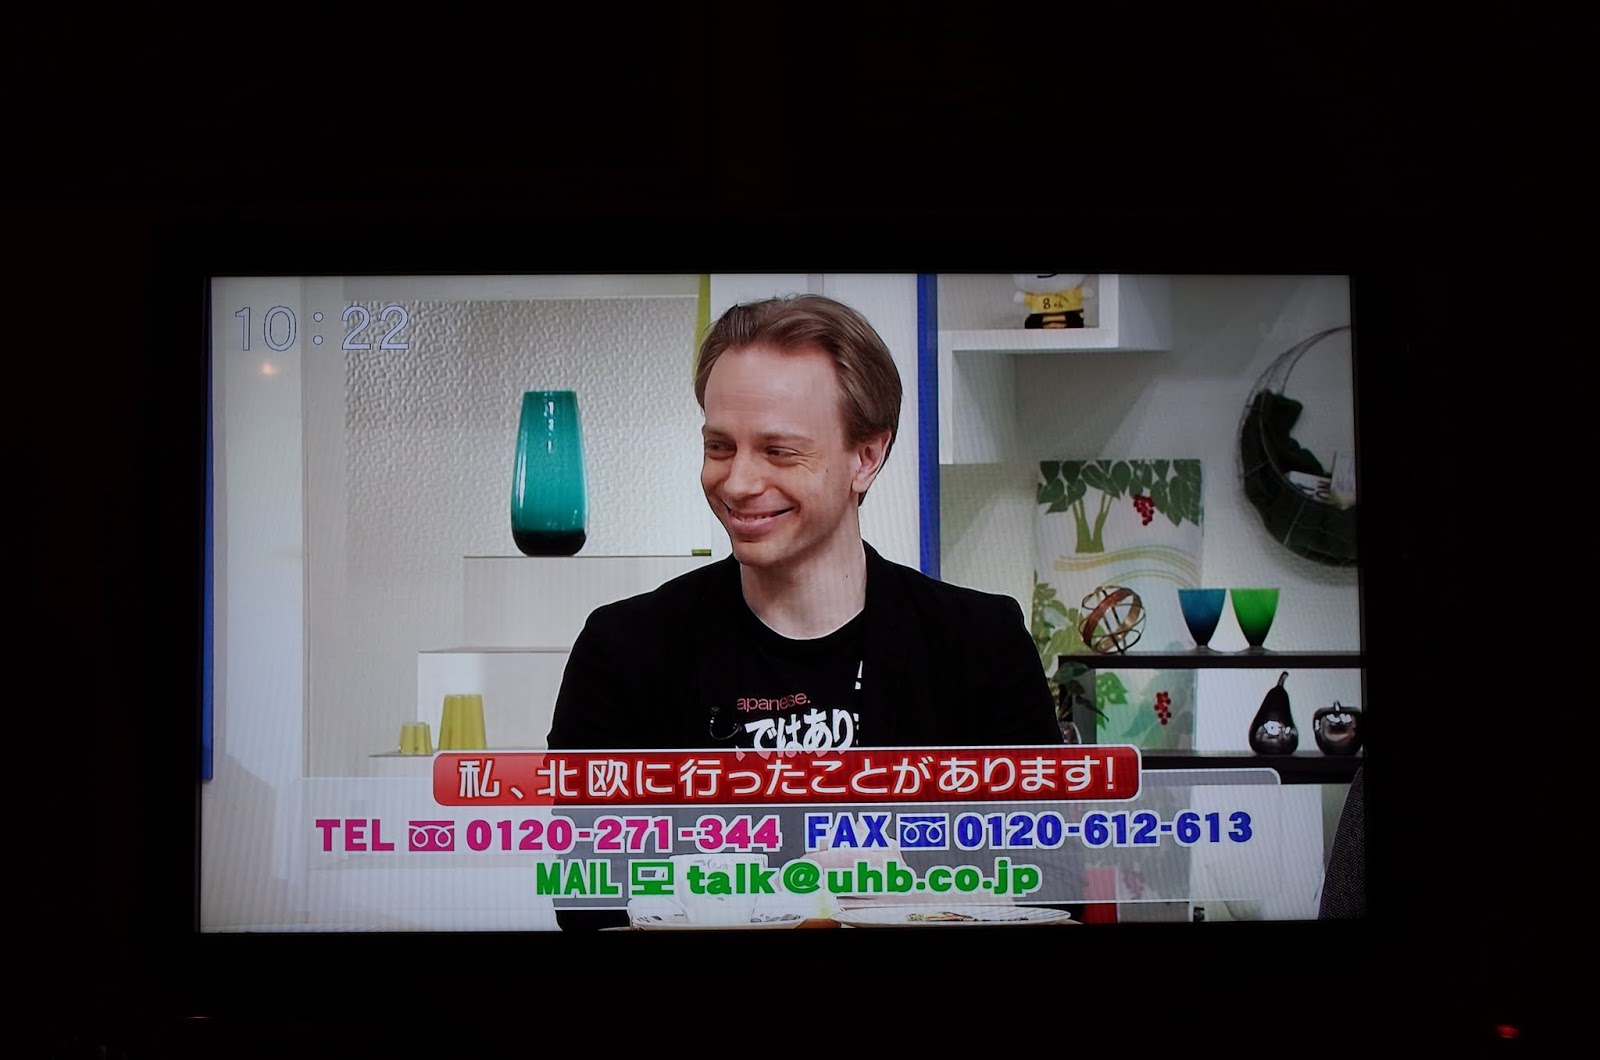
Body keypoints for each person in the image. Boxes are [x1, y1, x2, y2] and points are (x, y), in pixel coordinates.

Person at [546, 293, 1062, 753]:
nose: (738, 483)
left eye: (779, 451)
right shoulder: (624, 651)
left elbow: (1040, 835)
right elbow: (585, 837)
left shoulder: (979, 647)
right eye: (719, 447)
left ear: (866, 458)